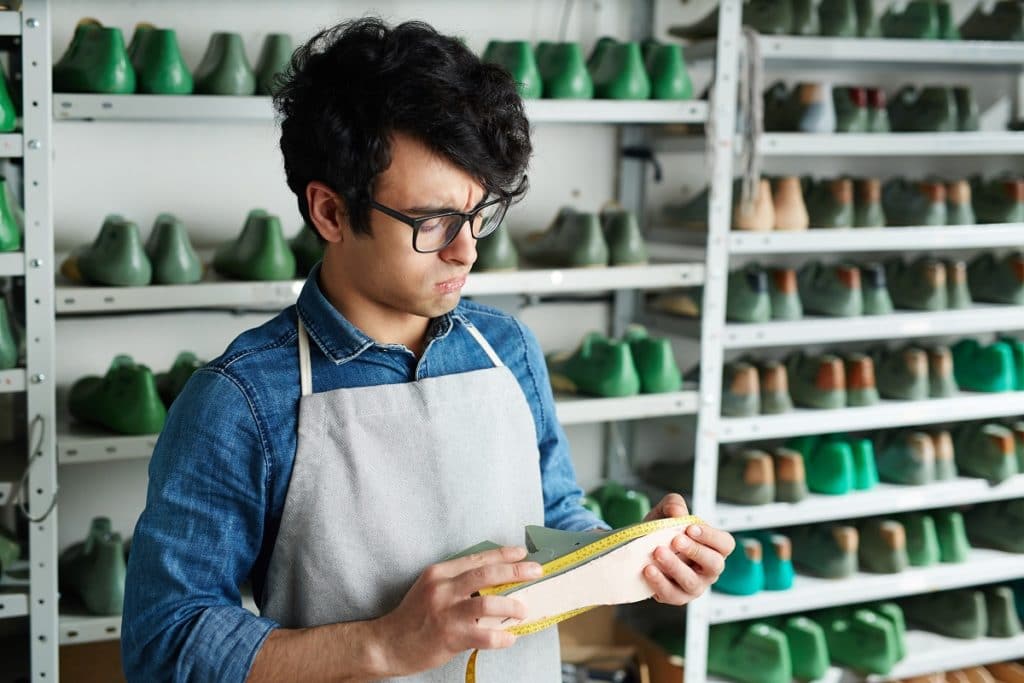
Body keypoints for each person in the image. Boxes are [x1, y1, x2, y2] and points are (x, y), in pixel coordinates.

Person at [121, 17, 735, 682]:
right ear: (329, 212)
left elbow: (551, 519)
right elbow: (165, 642)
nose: (467, 249)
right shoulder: (241, 398)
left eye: (478, 214)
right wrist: (386, 643)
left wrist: (634, 555)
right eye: (432, 220)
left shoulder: (506, 348)